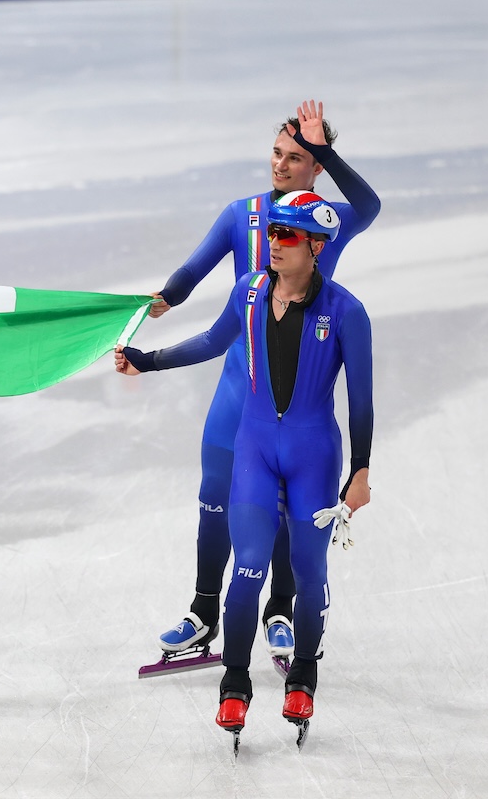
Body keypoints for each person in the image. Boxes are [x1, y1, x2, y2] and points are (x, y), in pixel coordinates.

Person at [115, 190, 373, 736]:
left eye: (287, 236)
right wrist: (148, 361)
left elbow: (362, 400)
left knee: (309, 572)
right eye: (273, 231)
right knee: (249, 568)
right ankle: (235, 683)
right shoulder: (250, 291)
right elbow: (211, 341)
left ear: (317, 247)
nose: (273, 244)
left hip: (314, 457)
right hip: (255, 447)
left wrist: (362, 471)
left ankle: (302, 677)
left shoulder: (347, 312)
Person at [144, 100, 379, 663]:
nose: (280, 165)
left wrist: (325, 148)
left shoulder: (326, 224)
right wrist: (159, 302)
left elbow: (369, 204)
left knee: (281, 503)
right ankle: (204, 612)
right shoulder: (239, 214)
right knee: (216, 501)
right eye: (276, 153)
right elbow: (191, 272)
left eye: (296, 158)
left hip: (294, 393)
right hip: (236, 390)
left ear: (315, 167)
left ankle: (279, 608)